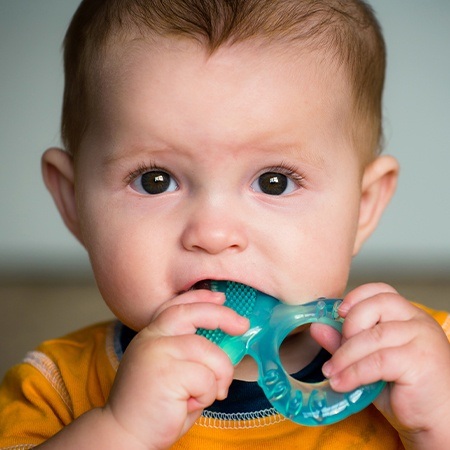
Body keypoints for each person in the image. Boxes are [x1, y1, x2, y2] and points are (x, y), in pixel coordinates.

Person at [1, 0, 449, 448]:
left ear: (363, 205)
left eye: (274, 182)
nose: (214, 234)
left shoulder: (426, 360)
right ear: (73, 201)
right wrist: (120, 430)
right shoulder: (56, 388)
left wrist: (437, 421)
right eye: (155, 181)